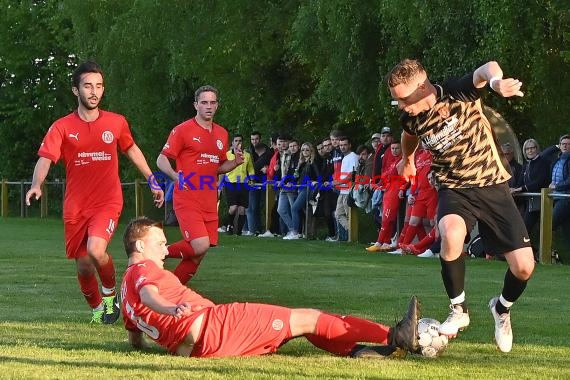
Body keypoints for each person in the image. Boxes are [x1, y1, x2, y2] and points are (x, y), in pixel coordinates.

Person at [386, 59, 535, 353]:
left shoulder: (456, 92)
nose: (401, 106)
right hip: (453, 188)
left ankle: (501, 310)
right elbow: (409, 136)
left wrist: (495, 84)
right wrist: (407, 160)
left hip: (492, 185)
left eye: (404, 99)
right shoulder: (411, 118)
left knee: (524, 268)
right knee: (451, 234)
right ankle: (459, 310)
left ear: (423, 86)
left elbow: (487, 68)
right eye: (396, 101)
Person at [120, 216, 421, 358]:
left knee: (300, 326)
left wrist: (145, 349)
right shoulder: (144, 270)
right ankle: (395, 335)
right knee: (308, 318)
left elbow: (134, 333)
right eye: (159, 243)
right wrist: (171, 308)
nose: (165, 248)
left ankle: (363, 351)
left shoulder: (125, 288)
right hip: (216, 327)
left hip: (197, 348)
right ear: (139, 245)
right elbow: (151, 296)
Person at [25, 61, 164, 324]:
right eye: (88, 86)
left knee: (96, 249)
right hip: (76, 206)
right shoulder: (62, 127)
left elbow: (132, 149)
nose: (94, 92)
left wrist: (152, 178)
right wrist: (36, 185)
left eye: (99, 86)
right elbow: (45, 158)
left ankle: (111, 293)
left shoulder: (116, 122)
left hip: (107, 201)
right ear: (76, 90)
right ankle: (98, 308)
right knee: (84, 263)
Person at [156, 85, 243, 285]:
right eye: (204, 102)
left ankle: (171, 291)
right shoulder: (182, 130)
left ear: (217, 106)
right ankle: (156, 253)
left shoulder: (221, 133)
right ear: (196, 105)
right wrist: (175, 176)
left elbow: (218, 167)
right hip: (187, 197)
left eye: (212, 102)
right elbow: (161, 160)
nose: (208, 106)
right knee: (200, 245)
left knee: (197, 255)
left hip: (210, 201)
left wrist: (234, 163)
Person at [510, 138, 550, 261]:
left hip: (540, 202)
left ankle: (532, 256)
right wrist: (513, 189)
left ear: (537, 149)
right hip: (529, 202)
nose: (530, 150)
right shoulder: (527, 165)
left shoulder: (543, 163)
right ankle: (532, 255)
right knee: (525, 229)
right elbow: (520, 182)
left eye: (532, 148)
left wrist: (520, 189)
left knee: (527, 229)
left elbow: (540, 181)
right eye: (527, 148)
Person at [219, 134, 255, 235]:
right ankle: (228, 225)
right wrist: (219, 184)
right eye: (236, 140)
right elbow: (222, 170)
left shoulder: (247, 155)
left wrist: (252, 179)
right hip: (231, 183)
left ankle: (238, 232)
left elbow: (250, 168)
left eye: (240, 140)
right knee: (233, 208)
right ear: (232, 142)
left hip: (243, 183)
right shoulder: (227, 155)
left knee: (242, 209)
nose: (238, 142)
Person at [333, 137, 360, 241]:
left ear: (349, 145)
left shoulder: (353, 156)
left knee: (350, 216)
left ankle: (352, 238)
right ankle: (350, 233)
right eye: (341, 145)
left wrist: (338, 182)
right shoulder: (344, 158)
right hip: (342, 190)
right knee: (338, 214)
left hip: (350, 190)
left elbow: (352, 175)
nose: (342, 147)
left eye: (344, 145)